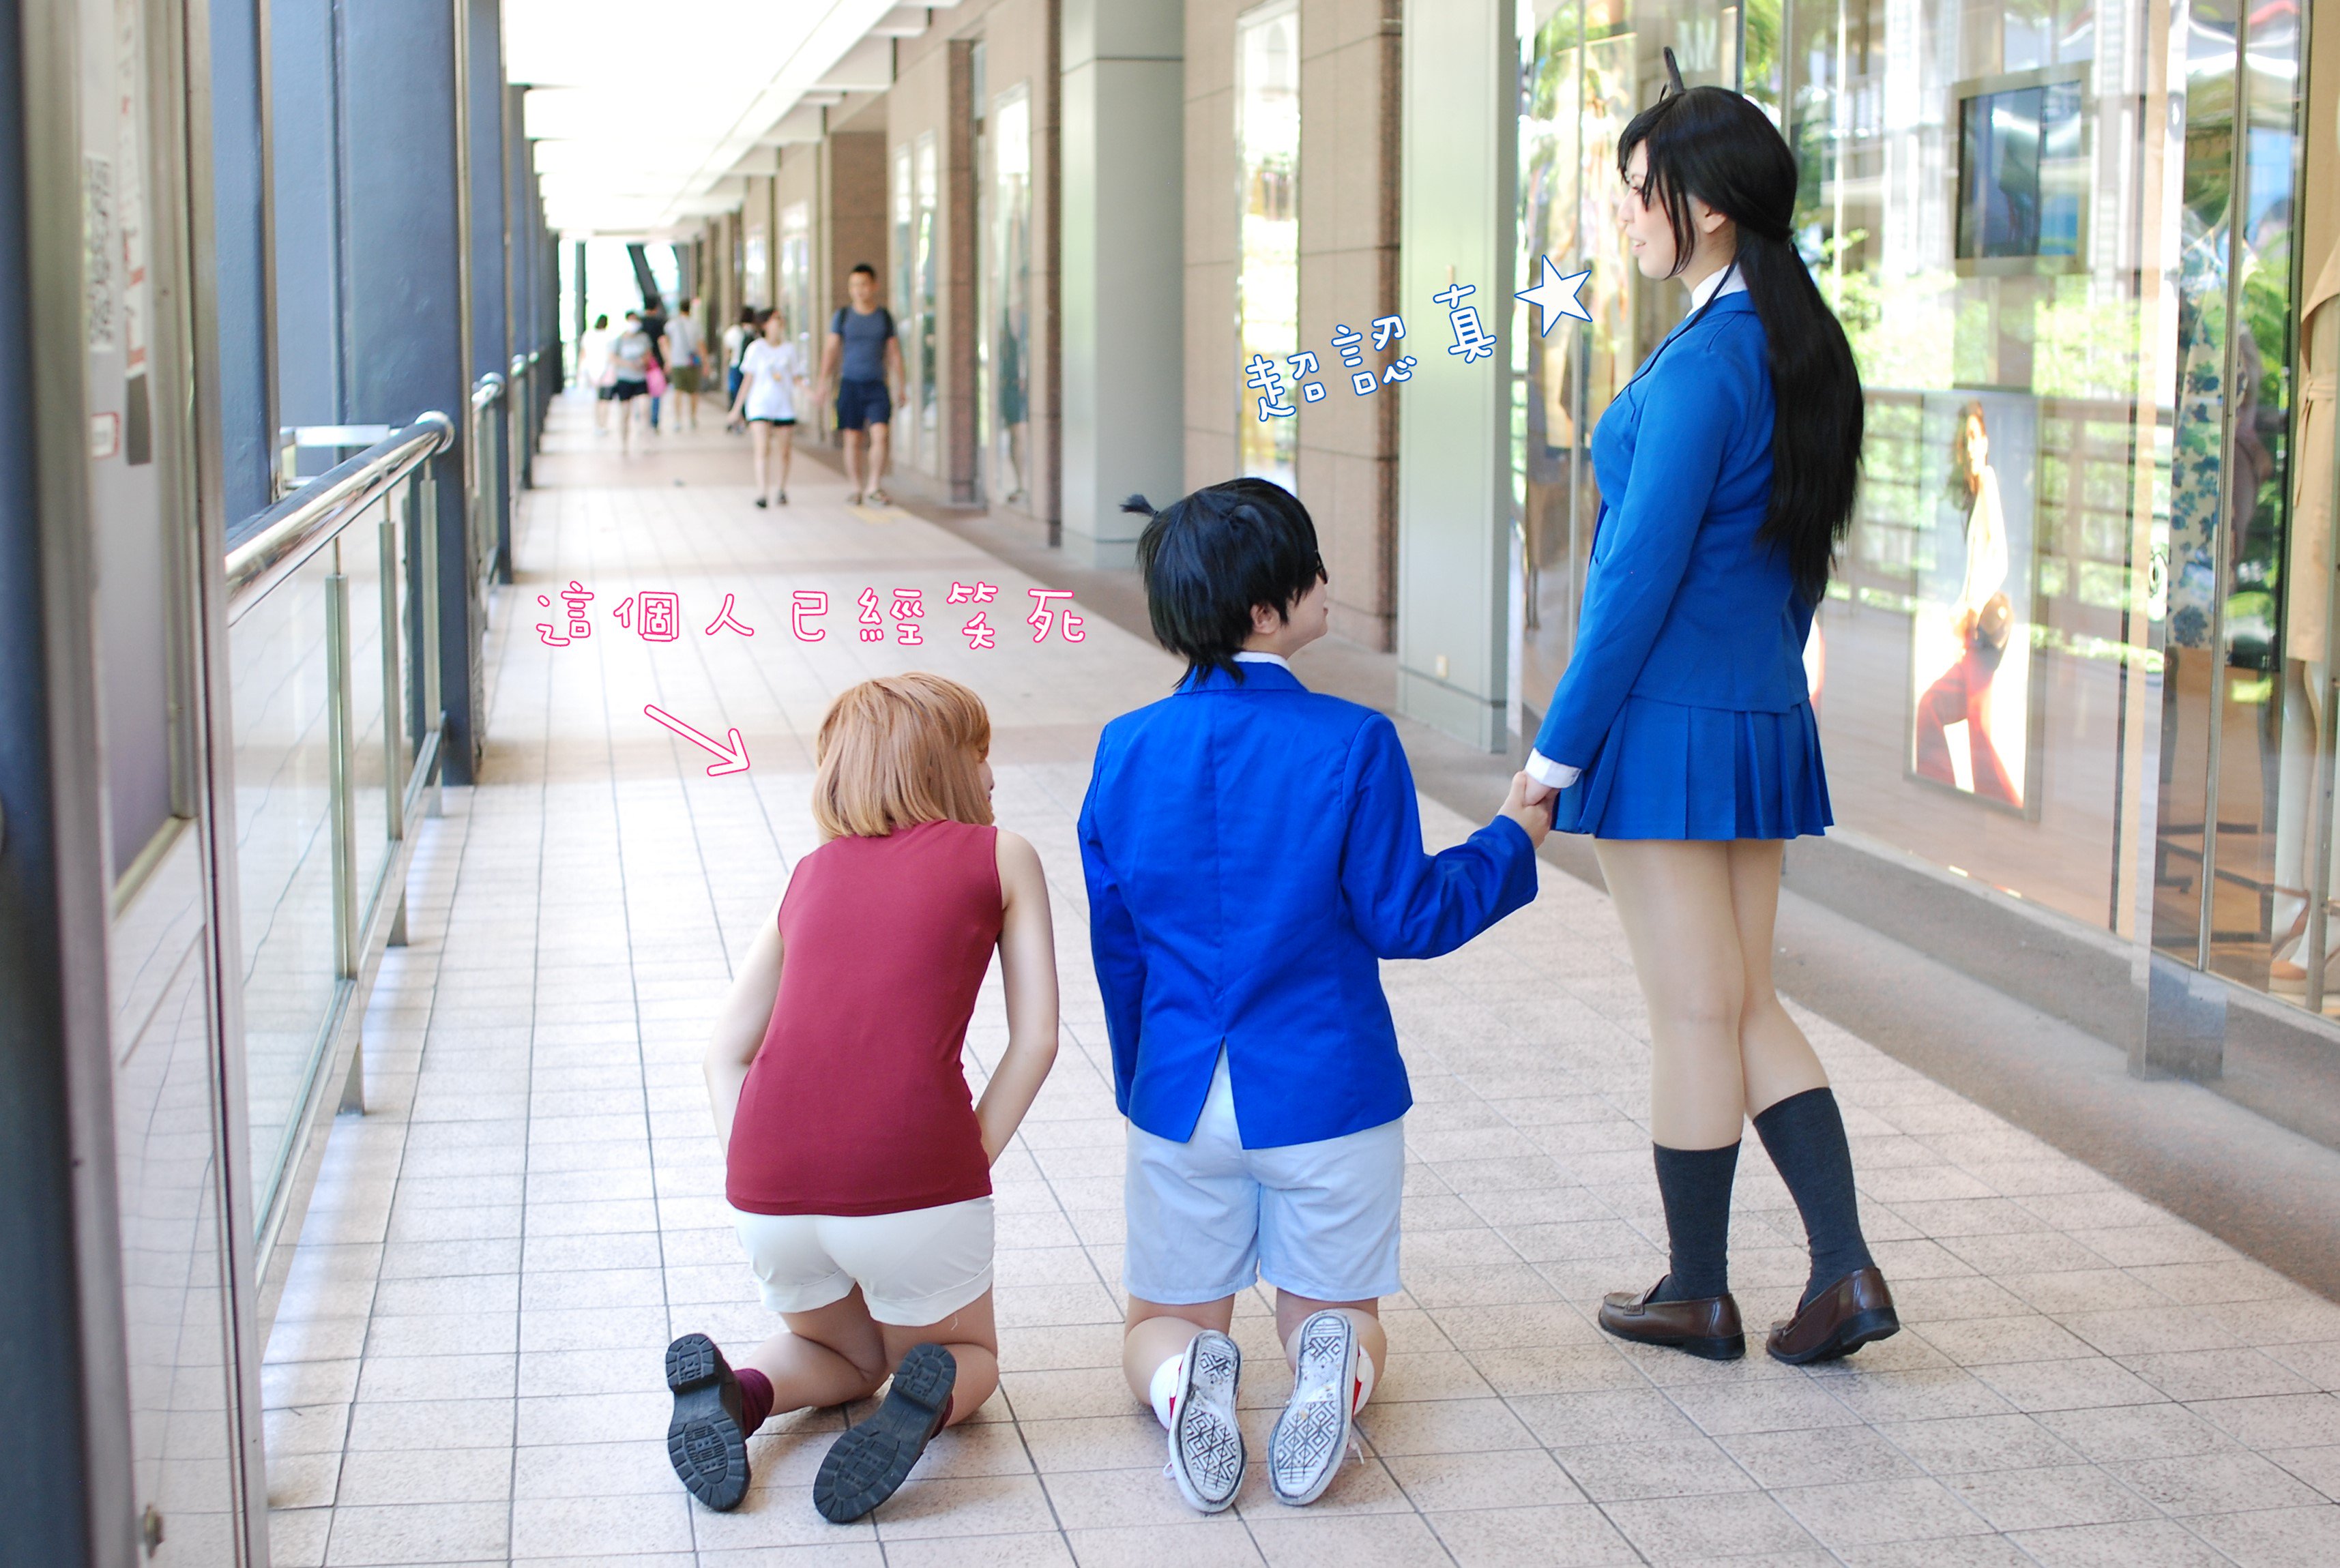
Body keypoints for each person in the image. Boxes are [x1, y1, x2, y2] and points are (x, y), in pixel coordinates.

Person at [1519, 73, 1897, 1367]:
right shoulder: (1796, 348)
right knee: (1740, 1000)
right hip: (1754, 717)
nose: (1627, 212)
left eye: (1643, 191)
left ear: (1714, 208)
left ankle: (1699, 1286)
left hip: (1668, 729)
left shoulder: (1707, 366)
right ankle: (1840, 1271)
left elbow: (1632, 581)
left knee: (1695, 1011)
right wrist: (1758, 687)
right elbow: (1798, 567)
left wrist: (1551, 752)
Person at [1079, 479, 1551, 1514]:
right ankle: (1328, 1368)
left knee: (1160, 1318)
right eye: (1311, 567)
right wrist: (1512, 836)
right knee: (1336, 1308)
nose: (1327, 584)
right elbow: (1405, 916)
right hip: (1328, 1091)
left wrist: (1146, 1084)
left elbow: (1119, 949)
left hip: (1180, 1092)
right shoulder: (1352, 740)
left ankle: (1184, 1381)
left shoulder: (1124, 747)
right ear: (1264, 610)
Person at [669, 674, 1059, 1523]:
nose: (993, 776)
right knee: (966, 1352)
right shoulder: (1003, 855)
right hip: (911, 1174)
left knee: (839, 1352)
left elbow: (720, 1054)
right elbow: (1037, 1040)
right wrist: (962, 1159)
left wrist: (761, 1167)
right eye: (979, 752)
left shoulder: (807, 874)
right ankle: (919, 1410)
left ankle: (739, 1395)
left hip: (767, 1186)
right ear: (941, 765)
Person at [1913, 403, 2019, 803]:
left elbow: (2001, 558)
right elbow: (1978, 566)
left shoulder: (1988, 481)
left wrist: (1972, 606)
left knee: (1975, 726)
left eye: (1976, 438)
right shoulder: (1975, 494)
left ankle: (1990, 807)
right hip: (1975, 629)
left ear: (1986, 441)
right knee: (1938, 709)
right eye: (1965, 441)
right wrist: (1961, 604)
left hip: (1986, 631)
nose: (1971, 448)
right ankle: (1943, 795)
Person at [818, 263, 903, 505]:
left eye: (864, 285)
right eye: (855, 285)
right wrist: (823, 382)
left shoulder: (884, 317)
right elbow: (831, 350)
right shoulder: (843, 316)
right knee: (852, 438)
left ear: (874, 286)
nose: (859, 290)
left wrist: (901, 385)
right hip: (850, 384)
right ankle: (856, 487)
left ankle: (874, 484)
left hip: (877, 384)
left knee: (881, 434)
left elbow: (894, 353)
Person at [729, 310, 807, 507]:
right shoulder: (756, 349)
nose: (779, 323)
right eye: (775, 319)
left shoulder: (789, 349)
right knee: (762, 448)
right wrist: (737, 408)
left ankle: (781, 488)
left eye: (781, 319)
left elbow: (797, 378)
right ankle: (762, 492)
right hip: (760, 405)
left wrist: (811, 394)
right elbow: (748, 380)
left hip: (784, 406)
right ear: (765, 324)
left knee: (784, 450)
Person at [607, 311, 653, 455]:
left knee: (645, 410)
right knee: (625, 413)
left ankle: (645, 441)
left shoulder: (643, 338)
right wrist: (628, 364)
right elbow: (612, 357)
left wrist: (641, 362)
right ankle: (624, 443)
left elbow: (648, 355)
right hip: (624, 380)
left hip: (640, 379)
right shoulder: (619, 340)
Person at [664, 299, 705, 430]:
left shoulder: (672, 325)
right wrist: (705, 363)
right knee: (694, 392)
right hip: (692, 362)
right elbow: (701, 345)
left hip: (677, 362)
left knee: (677, 391)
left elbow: (666, 342)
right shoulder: (695, 325)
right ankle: (693, 418)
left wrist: (668, 359)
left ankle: (677, 420)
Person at [580, 312, 615, 432]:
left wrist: (580, 370)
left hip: (592, 370)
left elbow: (583, 354)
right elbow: (611, 356)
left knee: (597, 398)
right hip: (607, 370)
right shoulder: (609, 336)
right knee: (605, 400)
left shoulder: (588, 335)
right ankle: (603, 424)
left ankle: (597, 424)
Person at [722, 306, 759, 408]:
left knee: (736, 393)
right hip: (751, 368)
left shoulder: (733, 331)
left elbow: (728, 351)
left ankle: (736, 414)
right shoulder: (755, 331)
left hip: (735, 365)